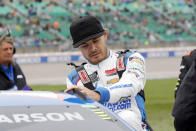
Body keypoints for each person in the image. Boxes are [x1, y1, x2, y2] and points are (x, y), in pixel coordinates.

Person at [64, 16, 149, 131]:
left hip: (133, 125)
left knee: (127, 117)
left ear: (105, 35)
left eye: (95, 41)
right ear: (78, 47)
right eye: (85, 45)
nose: (93, 48)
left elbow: (131, 84)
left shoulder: (131, 58)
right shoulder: (74, 77)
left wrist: (98, 95)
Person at [172, 49, 196, 131]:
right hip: (186, 115)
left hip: (181, 113)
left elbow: (178, 90)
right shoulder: (189, 56)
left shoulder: (188, 56)